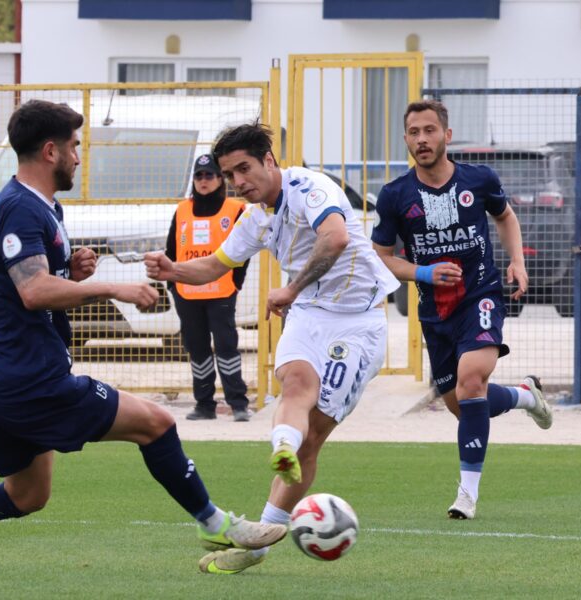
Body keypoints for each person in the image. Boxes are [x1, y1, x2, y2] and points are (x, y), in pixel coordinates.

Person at [0, 100, 286, 597]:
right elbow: (33, 290)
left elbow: (28, 280)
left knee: (27, 494)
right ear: (51, 151)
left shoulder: (39, 204)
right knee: (156, 424)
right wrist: (112, 287)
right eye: (75, 147)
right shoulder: (21, 207)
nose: (79, 157)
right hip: (30, 381)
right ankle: (216, 524)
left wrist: (71, 268)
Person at [145, 123, 399, 574]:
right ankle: (281, 446)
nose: (237, 182)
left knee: (313, 435)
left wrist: (291, 288)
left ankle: (257, 546)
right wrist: (173, 270)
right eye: (229, 174)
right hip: (308, 313)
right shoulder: (255, 216)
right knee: (296, 384)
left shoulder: (310, 188)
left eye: (244, 169)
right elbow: (214, 266)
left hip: (358, 324)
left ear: (269, 160)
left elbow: (336, 238)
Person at [371, 99, 554, 521]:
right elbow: (381, 257)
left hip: (481, 295)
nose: (422, 139)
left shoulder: (479, 179)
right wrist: (423, 271)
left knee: (472, 381)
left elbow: (505, 217)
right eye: (414, 132)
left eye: (429, 130)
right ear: (405, 139)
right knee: (464, 404)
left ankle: (466, 495)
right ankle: (525, 396)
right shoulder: (395, 195)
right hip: (435, 313)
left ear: (446, 136)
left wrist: (517, 261)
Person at [165, 154, 251, 422]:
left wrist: (236, 282)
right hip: (187, 292)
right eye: (199, 175)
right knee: (197, 348)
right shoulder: (182, 210)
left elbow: (244, 250)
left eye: (209, 175)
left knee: (226, 346)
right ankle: (204, 404)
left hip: (221, 290)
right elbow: (171, 250)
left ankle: (238, 403)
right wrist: (173, 284)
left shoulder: (234, 209)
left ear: (220, 179)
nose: (204, 181)